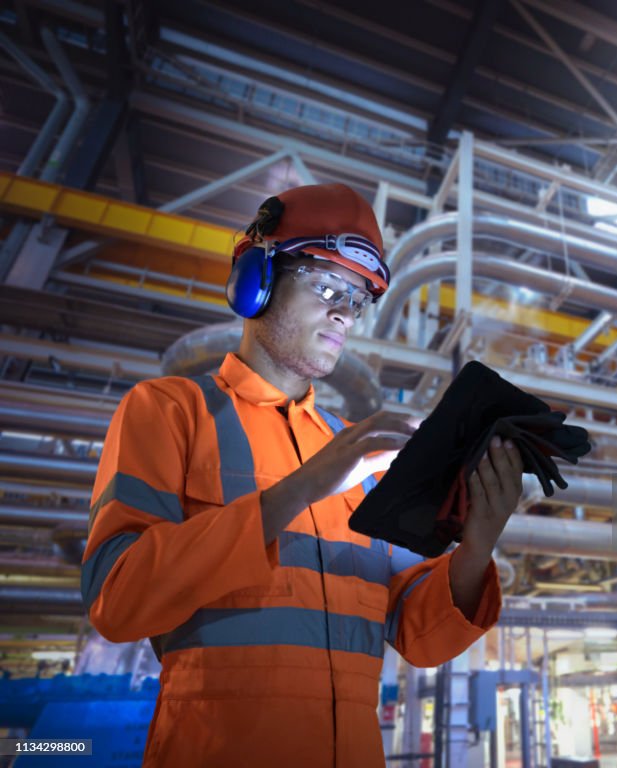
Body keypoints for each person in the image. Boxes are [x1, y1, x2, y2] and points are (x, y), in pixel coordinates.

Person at [80, 183, 524, 767]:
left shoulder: (360, 453)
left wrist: (476, 546)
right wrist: (302, 488)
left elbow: (418, 634)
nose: (344, 312)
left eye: (358, 299)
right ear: (256, 278)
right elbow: (117, 599)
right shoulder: (169, 411)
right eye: (326, 285)